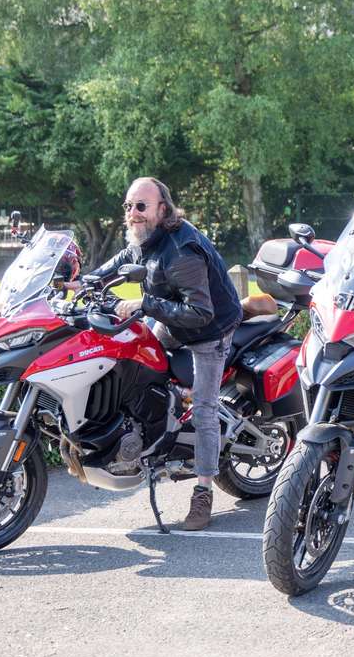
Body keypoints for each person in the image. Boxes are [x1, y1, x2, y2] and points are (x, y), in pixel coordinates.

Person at [82, 177, 242, 530]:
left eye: (141, 206)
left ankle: (203, 493)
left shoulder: (181, 251)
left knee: (203, 409)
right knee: (136, 358)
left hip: (209, 332)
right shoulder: (146, 238)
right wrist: (84, 282)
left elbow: (201, 313)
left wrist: (145, 303)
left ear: (162, 209)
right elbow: (123, 261)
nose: (132, 213)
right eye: (128, 206)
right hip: (171, 318)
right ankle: (155, 430)